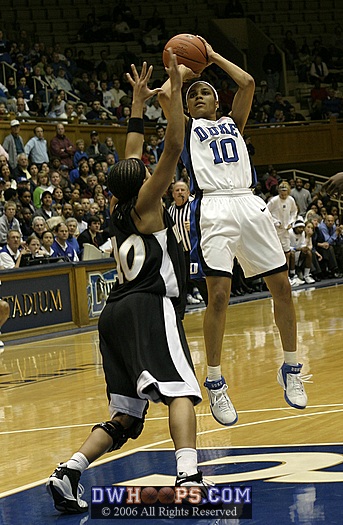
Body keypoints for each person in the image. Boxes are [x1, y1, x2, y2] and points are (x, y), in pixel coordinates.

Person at [46, 54, 204, 515]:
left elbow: (132, 153)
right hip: (150, 305)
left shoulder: (120, 208)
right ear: (144, 183)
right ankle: (189, 475)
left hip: (112, 314)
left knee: (127, 415)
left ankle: (70, 469)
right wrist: (173, 93)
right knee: (180, 390)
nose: (151, 167)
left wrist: (137, 105)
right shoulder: (149, 202)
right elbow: (173, 147)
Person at [159, 37, 309, 427]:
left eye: (206, 92)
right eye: (193, 96)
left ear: (217, 101)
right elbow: (163, 94)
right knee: (220, 296)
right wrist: (186, 73)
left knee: (283, 288)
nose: (199, 97)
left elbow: (248, 83)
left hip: (248, 202)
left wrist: (212, 58)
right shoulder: (188, 127)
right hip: (213, 206)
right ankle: (214, 380)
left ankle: (291, 368)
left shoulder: (232, 123)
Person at [168, 180, 203, 305]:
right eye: (177, 190)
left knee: (198, 275)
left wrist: (194, 227)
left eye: (183, 190)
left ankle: (198, 291)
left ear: (188, 192)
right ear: (173, 194)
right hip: (180, 250)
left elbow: (207, 224)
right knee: (183, 276)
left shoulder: (195, 206)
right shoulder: (170, 211)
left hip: (196, 248)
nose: (180, 192)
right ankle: (187, 294)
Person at [267, 181, 300, 285]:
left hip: (285, 230)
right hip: (275, 231)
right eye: (282, 193)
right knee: (276, 254)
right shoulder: (274, 200)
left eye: (285, 193)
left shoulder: (291, 200)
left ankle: (286, 277)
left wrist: (291, 222)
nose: (283, 195)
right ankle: (276, 279)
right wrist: (275, 222)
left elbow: (294, 212)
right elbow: (266, 213)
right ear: (279, 191)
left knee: (287, 253)